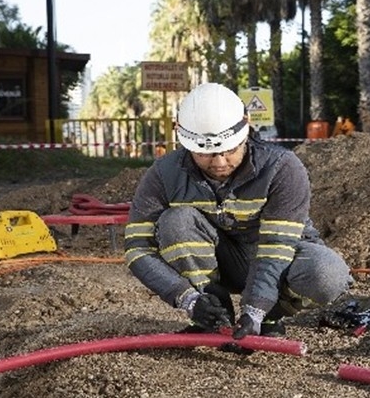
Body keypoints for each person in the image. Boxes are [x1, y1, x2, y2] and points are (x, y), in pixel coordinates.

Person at [123, 82, 352, 339]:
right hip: (221, 263)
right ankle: (214, 313)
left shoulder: (281, 168)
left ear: (246, 127)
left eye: (230, 149)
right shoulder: (164, 174)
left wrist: (256, 309)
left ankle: (270, 316)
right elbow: (137, 248)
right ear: (184, 139)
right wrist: (188, 299)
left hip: (278, 260)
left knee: (327, 274)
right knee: (176, 221)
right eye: (205, 153)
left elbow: (276, 246)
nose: (219, 162)